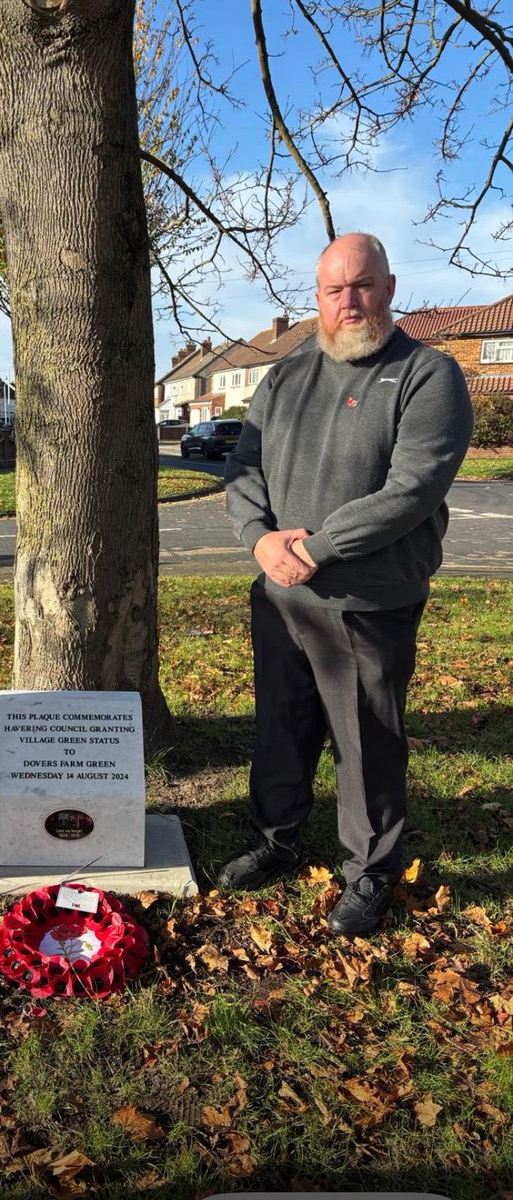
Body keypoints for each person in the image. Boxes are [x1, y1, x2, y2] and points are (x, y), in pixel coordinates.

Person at [222, 232, 473, 936]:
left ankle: (370, 871)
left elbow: (413, 489)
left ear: (389, 289)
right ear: (318, 297)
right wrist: (260, 538)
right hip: (280, 592)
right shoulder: (287, 375)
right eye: (335, 289)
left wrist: (320, 548)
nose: (349, 301)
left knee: (366, 740)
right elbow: (243, 468)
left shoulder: (427, 374)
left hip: (370, 601)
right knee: (281, 724)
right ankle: (275, 839)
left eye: (362, 285)